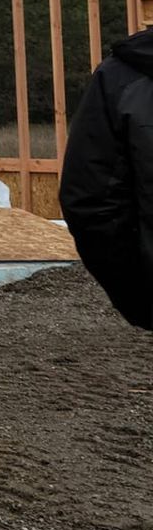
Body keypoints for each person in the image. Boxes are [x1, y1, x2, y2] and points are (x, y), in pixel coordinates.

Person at [60, 25, 153, 329]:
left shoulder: (123, 78)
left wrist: (139, 296)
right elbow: (92, 202)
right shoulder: (124, 79)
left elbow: (91, 202)